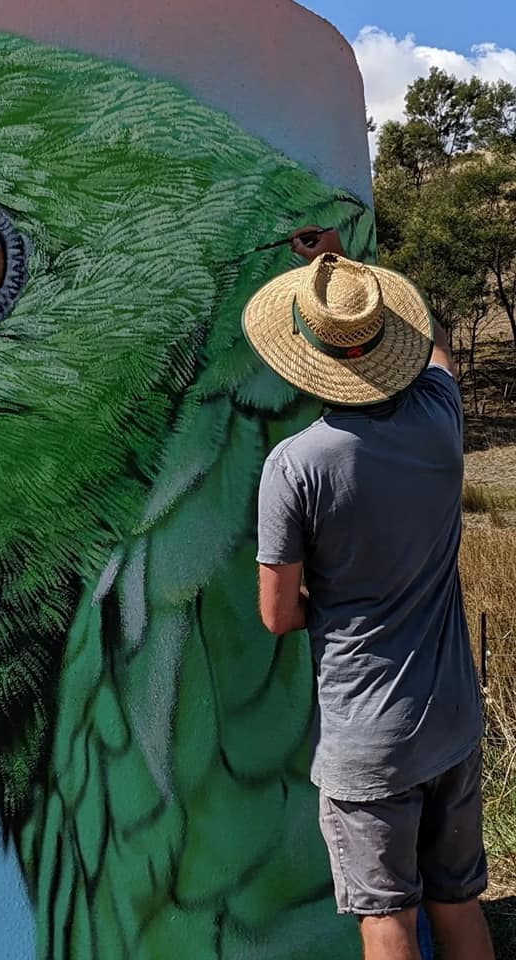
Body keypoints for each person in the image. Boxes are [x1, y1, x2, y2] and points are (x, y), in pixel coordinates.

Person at [241, 227, 495, 960]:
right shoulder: (440, 423)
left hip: (369, 738)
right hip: (451, 718)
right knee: (457, 902)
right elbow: (438, 344)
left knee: (386, 917)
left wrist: (344, 591)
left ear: (308, 357)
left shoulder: (296, 466)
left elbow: (277, 613)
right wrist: (357, 272)